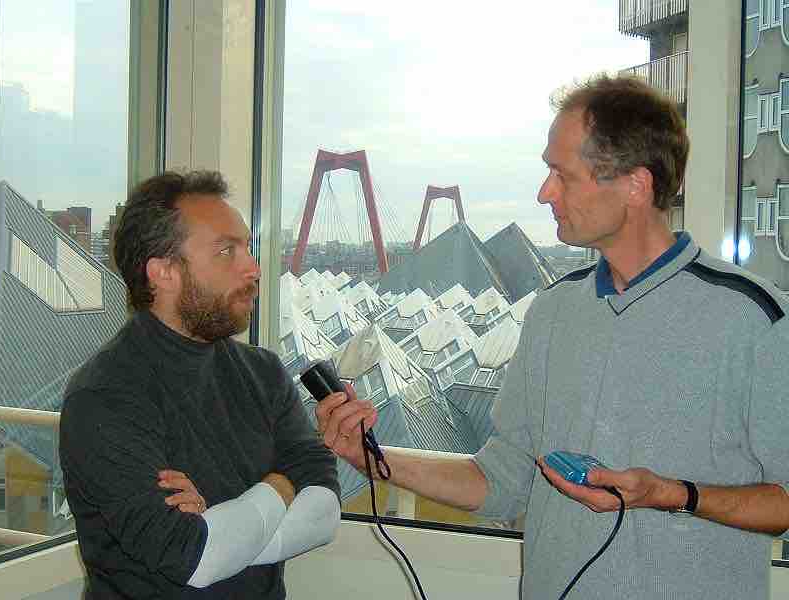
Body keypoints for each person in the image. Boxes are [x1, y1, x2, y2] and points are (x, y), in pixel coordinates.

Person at [316, 74, 789, 599]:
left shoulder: (753, 317)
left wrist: (674, 494)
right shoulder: (553, 310)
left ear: (635, 184)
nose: (544, 193)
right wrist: (373, 458)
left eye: (562, 175)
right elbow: (501, 480)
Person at [60, 170, 340, 599]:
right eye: (226, 251)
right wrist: (282, 485)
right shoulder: (105, 398)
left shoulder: (264, 373)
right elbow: (192, 556)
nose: (253, 267)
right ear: (164, 273)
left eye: (246, 246)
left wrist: (223, 525)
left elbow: (323, 513)